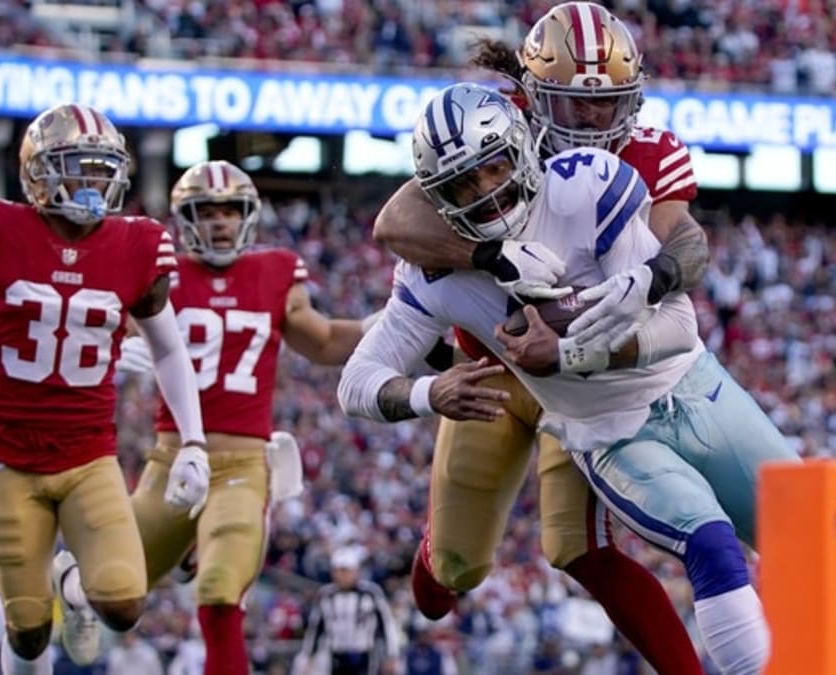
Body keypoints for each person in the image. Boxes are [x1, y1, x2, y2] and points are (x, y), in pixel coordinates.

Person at [341, 83, 802, 675]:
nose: (487, 189)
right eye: (463, 183)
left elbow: (679, 323)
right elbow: (357, 373)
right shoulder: (434, 263)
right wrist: (434, 391)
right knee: (701, 542)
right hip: (592, 423)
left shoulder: (591, 182)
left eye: (496, 167)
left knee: (814, 543)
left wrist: (581, 339)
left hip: (687, 386)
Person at [369, 4, 706, 673]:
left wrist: (645, 281)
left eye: (604, 105)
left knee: (584, 547)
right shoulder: (501, 122)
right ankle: (438, 554)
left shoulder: (651, 153)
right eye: (570, 105)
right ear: (531, 93)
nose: (587, 123)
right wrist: (491, 259)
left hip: (581, 378)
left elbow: (680, 249)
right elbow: (396, 220)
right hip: (490, 372)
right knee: (453, 573)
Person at [0, 103, 210, 675]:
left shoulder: (137, 244)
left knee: (123, 605)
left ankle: (70, 579)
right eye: (79, 168)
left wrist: (194, 440)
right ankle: (52, 597)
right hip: (10, 456)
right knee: (28, 634)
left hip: (88, 453)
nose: (94, 182)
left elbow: (169, 347)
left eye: (102, 169)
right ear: (38, 173)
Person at [115, 160, 368, 675]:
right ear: (187, 219)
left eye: (230, 210)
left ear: (248, 216)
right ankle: (177, 545)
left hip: (242, 465)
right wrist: (114, 342)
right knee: (111, 590)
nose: (220, 222)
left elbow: (320, 340)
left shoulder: (275, 271)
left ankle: (201, 549)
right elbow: (96, 319)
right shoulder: (163, 271)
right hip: (171, 460)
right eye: (207, 211)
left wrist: (386, 329)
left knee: (220, 592)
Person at [293, 548, 400, 675]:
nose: (340, 575)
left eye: (345, 571)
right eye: (337, 571)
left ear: (355, 571)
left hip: (363, 654)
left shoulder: (371, 593)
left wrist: (392, 655)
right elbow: (316, 628)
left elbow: (386, 625)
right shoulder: (326, 595)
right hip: (335, 654)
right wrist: (308, 655)